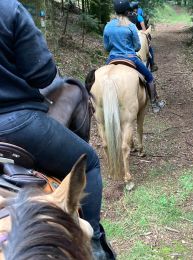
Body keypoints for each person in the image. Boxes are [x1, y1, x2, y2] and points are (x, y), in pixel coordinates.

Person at [0, 1, 114, 259]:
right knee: (91, 162)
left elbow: (108, 46)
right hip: (18, 124)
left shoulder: (112, 27)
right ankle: (94, 242)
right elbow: (42, 74)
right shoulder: (8, 9)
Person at [104, 0, 165, 113]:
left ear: (116, 12)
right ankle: (154, 104)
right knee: (149, 77)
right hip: (130, 57)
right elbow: (137, 46)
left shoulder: (108, 26)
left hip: (112, 58)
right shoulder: (131, 26)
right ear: (127, 12)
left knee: (103, 77)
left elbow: (106, 47)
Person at [129, 1, 159, 72]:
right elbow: (144, 30)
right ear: (136, 9)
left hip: (128, 37)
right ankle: (152, 65)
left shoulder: (125, 18)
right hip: (139, 36)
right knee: (149, 48)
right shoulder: (139, 17)